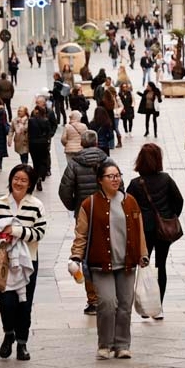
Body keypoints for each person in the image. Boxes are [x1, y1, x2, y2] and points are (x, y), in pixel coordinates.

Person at [69, 162, 148, 360]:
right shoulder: (90, 204)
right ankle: (105, 343)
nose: (115, 179)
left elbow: (139, 230)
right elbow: (81, 234)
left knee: (124, 304)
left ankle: (122, 344)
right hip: (101, 263)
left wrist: (143, 253)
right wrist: (76, 257)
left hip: (127, 262)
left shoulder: (130, 201)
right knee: (106, 302)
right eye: (110, 176)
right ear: (100, 180)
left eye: (117, 175)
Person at [0, 164, 47, 361]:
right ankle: (8, 333)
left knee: (25, 304)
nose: (18, 183)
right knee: (5, 302)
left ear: (30, 184)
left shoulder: (36, 205)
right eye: (16, 178)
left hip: (28, 262)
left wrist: (17, 231)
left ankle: (22, 343)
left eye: (23, 180)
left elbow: (40, 232)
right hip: (1, 261)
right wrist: (0, 237)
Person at [59, 131, 120, 315]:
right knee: (109, 252)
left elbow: (64, 190)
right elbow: (119, 186)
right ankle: (110, 296)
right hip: (107, 213)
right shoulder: (108, 161)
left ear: (82, 144)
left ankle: (93, 300)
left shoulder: (74, 163)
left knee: (87, 256)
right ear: (97, 143)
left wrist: (75, 207)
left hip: (84, 214)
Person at [126, 144, 184, 316]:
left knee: (144, 264)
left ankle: (145, 305)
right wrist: (169, 215)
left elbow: (128, 206)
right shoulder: (166, 179)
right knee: (161, 264)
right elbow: (178, 200)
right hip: (163, 230)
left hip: (144, 229)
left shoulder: (135, 184)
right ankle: (158, 307)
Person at [27, 105, 52, 191]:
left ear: (37, 111)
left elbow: (29, 132)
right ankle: (40, 177)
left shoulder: (31, 120)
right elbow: (49, 132)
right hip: (43, 143)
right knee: (43, 161)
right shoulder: (46, 120)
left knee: (35, 162)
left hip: (33, 144)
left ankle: (37, 177)